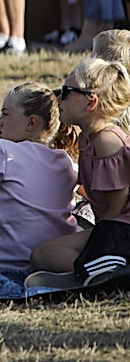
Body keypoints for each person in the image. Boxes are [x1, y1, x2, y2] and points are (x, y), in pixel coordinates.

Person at [27, 56, 130, 288]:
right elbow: (94, 191)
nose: (59, 98)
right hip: (111, 226)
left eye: (66, 91)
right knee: (41, 255)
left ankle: (109, 266)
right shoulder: (87, 138)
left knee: (45, 255)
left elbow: (117, 205)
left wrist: (98, 241)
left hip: (120, 229)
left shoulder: (107, 141)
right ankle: (94, 269)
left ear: (90, 103)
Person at [0, 83, 79, 275]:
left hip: (6, 267)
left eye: (5, 114)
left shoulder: (2, 151)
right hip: (53, 266)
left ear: (31, 122)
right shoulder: (64, 161)